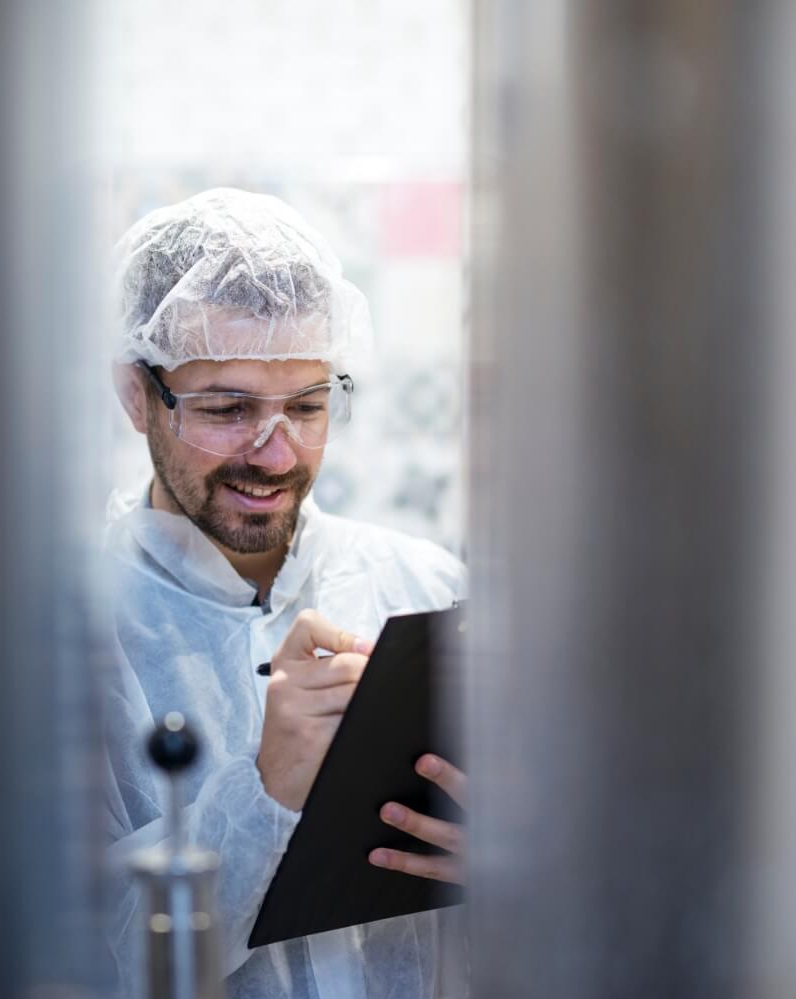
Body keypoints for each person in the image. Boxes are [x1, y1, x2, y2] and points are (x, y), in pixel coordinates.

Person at [102, 188, 468, 998]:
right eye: (227, 408)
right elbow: (67, 957)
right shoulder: (64, 638)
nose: (274, 455)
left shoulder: (422, 587)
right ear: (137, 394)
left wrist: (510, 855)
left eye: (307, 406)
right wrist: (262, 793)